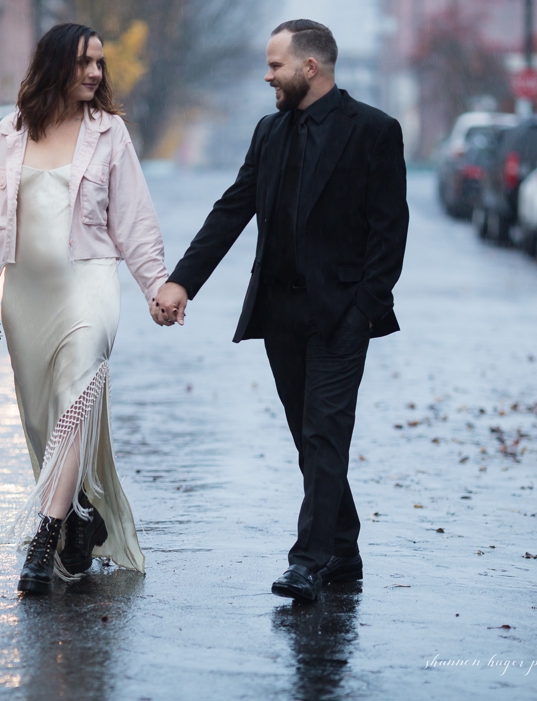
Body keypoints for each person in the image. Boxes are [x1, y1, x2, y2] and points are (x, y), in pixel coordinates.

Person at [153, 19, 408, 602]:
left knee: (324, 434)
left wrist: (365, 308)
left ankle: (309, 562)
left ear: (309, 68)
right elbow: (231, 211)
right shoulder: (268, 132)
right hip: (280, 315)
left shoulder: (373, 130)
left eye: (275, 66)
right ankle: (343, 545)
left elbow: (390, 231)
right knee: (307, 436)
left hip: (343, 316)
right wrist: (181, 283)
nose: (267, 75)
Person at [0, 23, 172, 594]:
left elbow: (134, 221)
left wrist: (156, 286)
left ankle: (44, 538)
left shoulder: (109, 134)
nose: (96, 73)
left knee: (75, 402)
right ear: (55, 65)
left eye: (100, 63)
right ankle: (81, 512)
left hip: (89, 286)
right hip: (26, 297)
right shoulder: (7, 135)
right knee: (43, 423)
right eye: (85, 63)